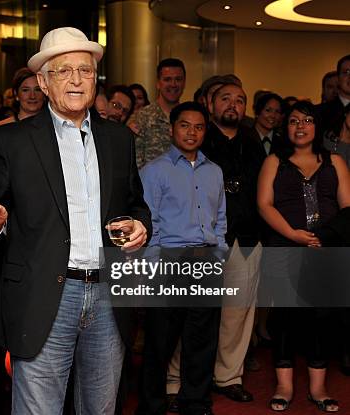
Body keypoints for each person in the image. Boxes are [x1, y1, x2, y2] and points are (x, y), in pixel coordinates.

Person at [0, 26, 151, 415]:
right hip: (44, 297)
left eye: (86, 70)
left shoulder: (118, 139)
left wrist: (140, 226)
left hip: (109, 297)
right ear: (43, 83)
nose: (78, 80)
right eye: (64, 72)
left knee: (101, 408)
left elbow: (135, 204)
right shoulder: (13, 140)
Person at [257, 101, 350, 412]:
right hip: (283, 247)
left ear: (317, 126)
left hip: (326, 249)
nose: (300, 126)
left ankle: (318, 387)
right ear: (286, 127)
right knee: (284, 318)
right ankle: (284, 386)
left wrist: (321, 237)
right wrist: (293, 234)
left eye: (307, 120)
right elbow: (264, 204)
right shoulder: (275, 161)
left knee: (321, 319)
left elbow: (347, 207)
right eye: (294, 120)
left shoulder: (334, 161)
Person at [137, 101, 227, 415]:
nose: (192, 132)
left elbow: (220, 221)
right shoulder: (154, 170)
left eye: (199, 126)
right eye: (185, 125)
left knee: (202, 341)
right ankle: (151, 405)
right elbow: (149, 222)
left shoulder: (214, 171)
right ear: (172, 129)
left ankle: (196, 402)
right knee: (160, 342)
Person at [199, 81, 265, 404]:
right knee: (195, 311)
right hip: (205, 237)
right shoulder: (198, 138)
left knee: (238, 313)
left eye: (240, 100)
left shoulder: (253, 143)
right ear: (210, 104)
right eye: (226, 99)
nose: (233, 105)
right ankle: (181, 379)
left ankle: (228, 376)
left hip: (247, 236)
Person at [130, 58, 186, 168]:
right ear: (158, 83)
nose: (173, 84)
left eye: (178, 79)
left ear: (184, 82)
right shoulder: (141, 117)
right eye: (167, 79)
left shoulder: (189, 118)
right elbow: (135, 165)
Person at [249, 92, 285, 157]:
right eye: (268, 110)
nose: (273, 116)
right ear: (257, 112)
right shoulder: (244, 137)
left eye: (277, 111)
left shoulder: (283, 142)